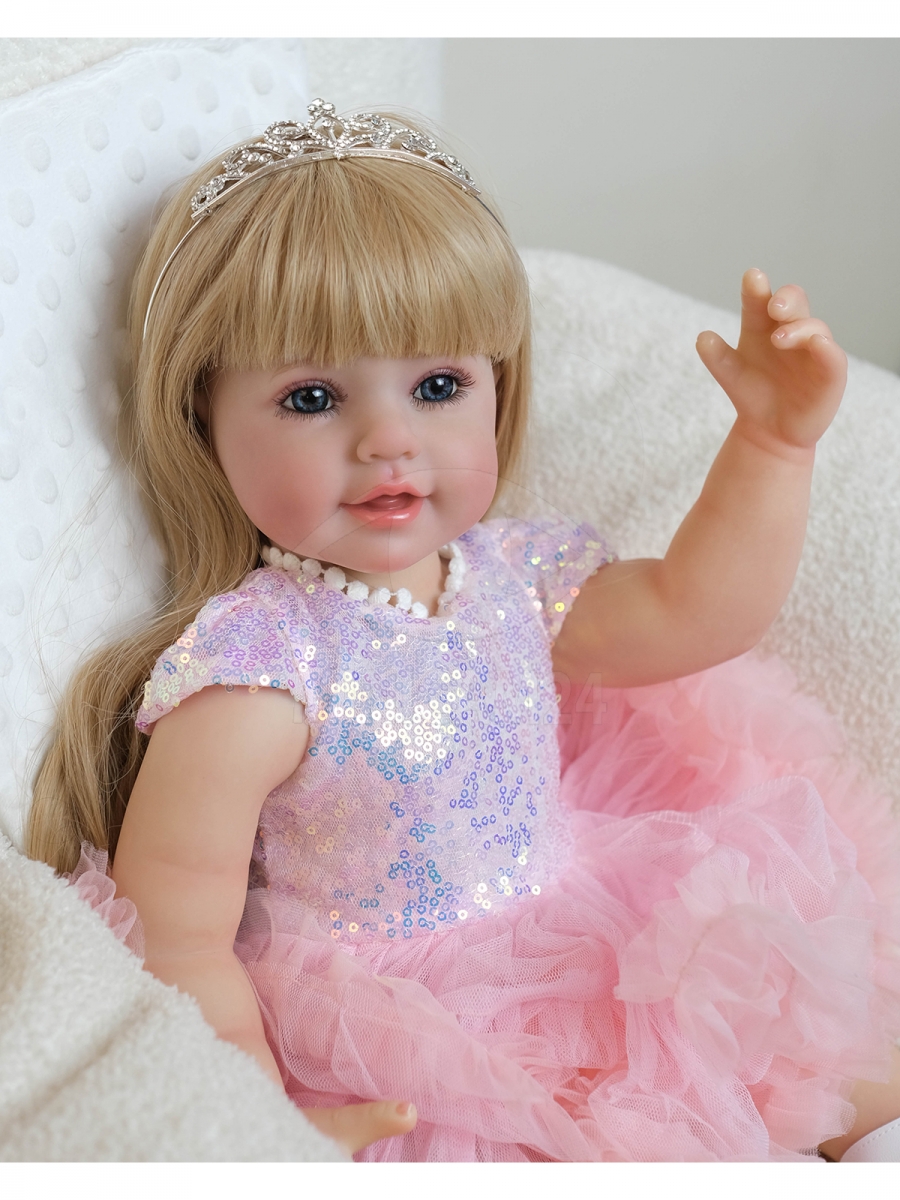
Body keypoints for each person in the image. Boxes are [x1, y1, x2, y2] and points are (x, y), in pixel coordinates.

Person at [27, 99, 900, 1162]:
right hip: (414, 1037)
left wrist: (772, 446)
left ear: (498, 388)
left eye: (438, 386)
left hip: (601, 933)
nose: (388, 440)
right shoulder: (258, 672)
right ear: (202, 420)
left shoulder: (511, 576)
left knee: (835, 1071)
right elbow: (179, 938)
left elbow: (691, 612)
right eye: (312, 398)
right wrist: (263, 1122)